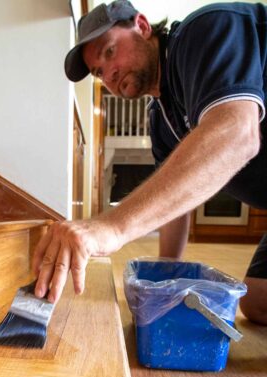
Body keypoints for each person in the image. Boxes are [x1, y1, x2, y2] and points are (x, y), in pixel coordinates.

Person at [33, 0, 267, 325]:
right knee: (255, 301)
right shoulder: (159, 118)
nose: (108, 75)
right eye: (99, 72)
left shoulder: (206, 30)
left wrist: (112, 226)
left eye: (110, 51)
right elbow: (174, 206)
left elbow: (236, 133)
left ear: (142, 26)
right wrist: (162, 283)